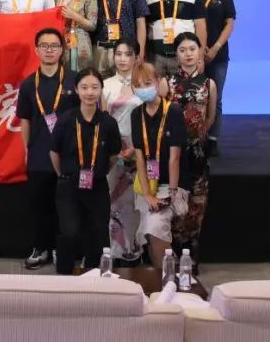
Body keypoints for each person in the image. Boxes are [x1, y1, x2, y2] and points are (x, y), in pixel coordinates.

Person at [50, 68, 123, 275]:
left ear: (101, 89)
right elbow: (54, 152)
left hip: (97, 186)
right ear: (76, 90)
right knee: (70, 231)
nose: (89, 92)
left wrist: (100, 172)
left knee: (98, 233)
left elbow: (113, 155)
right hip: (69, 185)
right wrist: (62, 175)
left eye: (94, 87)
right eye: (84, 87)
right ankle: (64, 274)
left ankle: (94, 275)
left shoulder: (108, 123)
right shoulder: (66, 120)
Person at [16, 28, 77, 270]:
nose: (49, 50)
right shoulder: (28, 84)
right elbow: (25, 120)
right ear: (37, 50)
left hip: (69, 155)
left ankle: (63, 250)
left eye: (54, 46)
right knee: (40, 206)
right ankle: (40, 248)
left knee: (67, 207)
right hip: (39, 154)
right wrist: (27, 149)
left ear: (62, 50)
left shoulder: (74, 80)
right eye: (44, 46)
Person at [164, 32, 216, 267]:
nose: (188, 54)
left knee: (197, 205)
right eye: (183, 50)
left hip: (197, 152)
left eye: (192, 49)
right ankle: (171, 256)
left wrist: (198, 134)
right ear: (176, 54)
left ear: (200, 52)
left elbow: (210, 116)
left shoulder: (209, 84)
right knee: (174, 203)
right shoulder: (167, 82)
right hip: (173, 152)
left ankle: (190, 257)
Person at [131, 62, 187, 270]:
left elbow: (175, 158)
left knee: (155, 225)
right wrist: (147, 194)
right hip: (148, 185)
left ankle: (169, 275)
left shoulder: (173, 111)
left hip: (171, 184)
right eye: (138, 85)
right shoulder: (136, 114)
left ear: (157, 82)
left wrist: (171, 193)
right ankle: (162, 274)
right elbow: (139, 158)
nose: (143, 88)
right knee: (148, 229)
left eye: (147, 83)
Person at [101, 38, 146, 264]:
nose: (122, 59)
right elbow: (102, 119)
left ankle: (135, 251)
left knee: (136, 201)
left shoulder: (144, 84)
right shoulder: (105, 85)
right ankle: (115, 252)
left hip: (138, 150)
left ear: (136, 57)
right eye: (118, 53)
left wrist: (138, 148)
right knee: (114, 201)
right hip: (113, 151)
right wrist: (113, 149)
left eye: (128, 54)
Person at [193, 0, 235, 155]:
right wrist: (199, 50)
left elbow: (230, 23)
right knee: (194, 97)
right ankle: (194, 137)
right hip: (193, 56)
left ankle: (212, 139)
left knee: (215, 98)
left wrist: (216, 47)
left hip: (218, 56)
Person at [145, 0, 207, 77]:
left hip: (185, 58)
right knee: (157, 89)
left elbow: (201, 28)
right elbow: (144, 27)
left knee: (185, 89)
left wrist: (200, 57)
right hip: (156, 58)